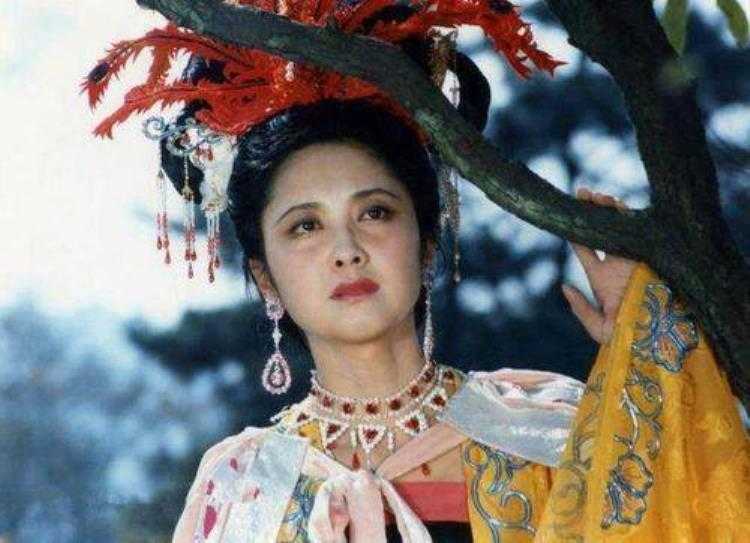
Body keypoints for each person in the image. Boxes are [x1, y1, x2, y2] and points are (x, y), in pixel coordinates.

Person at [82, 1, 750, 541]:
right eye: (305, 226)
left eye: (374, 212)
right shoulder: (244, 486)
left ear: (426, 241)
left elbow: (702, 510)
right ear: (264, 277)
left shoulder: (547, 430)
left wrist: (647, 354)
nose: (347, 249)